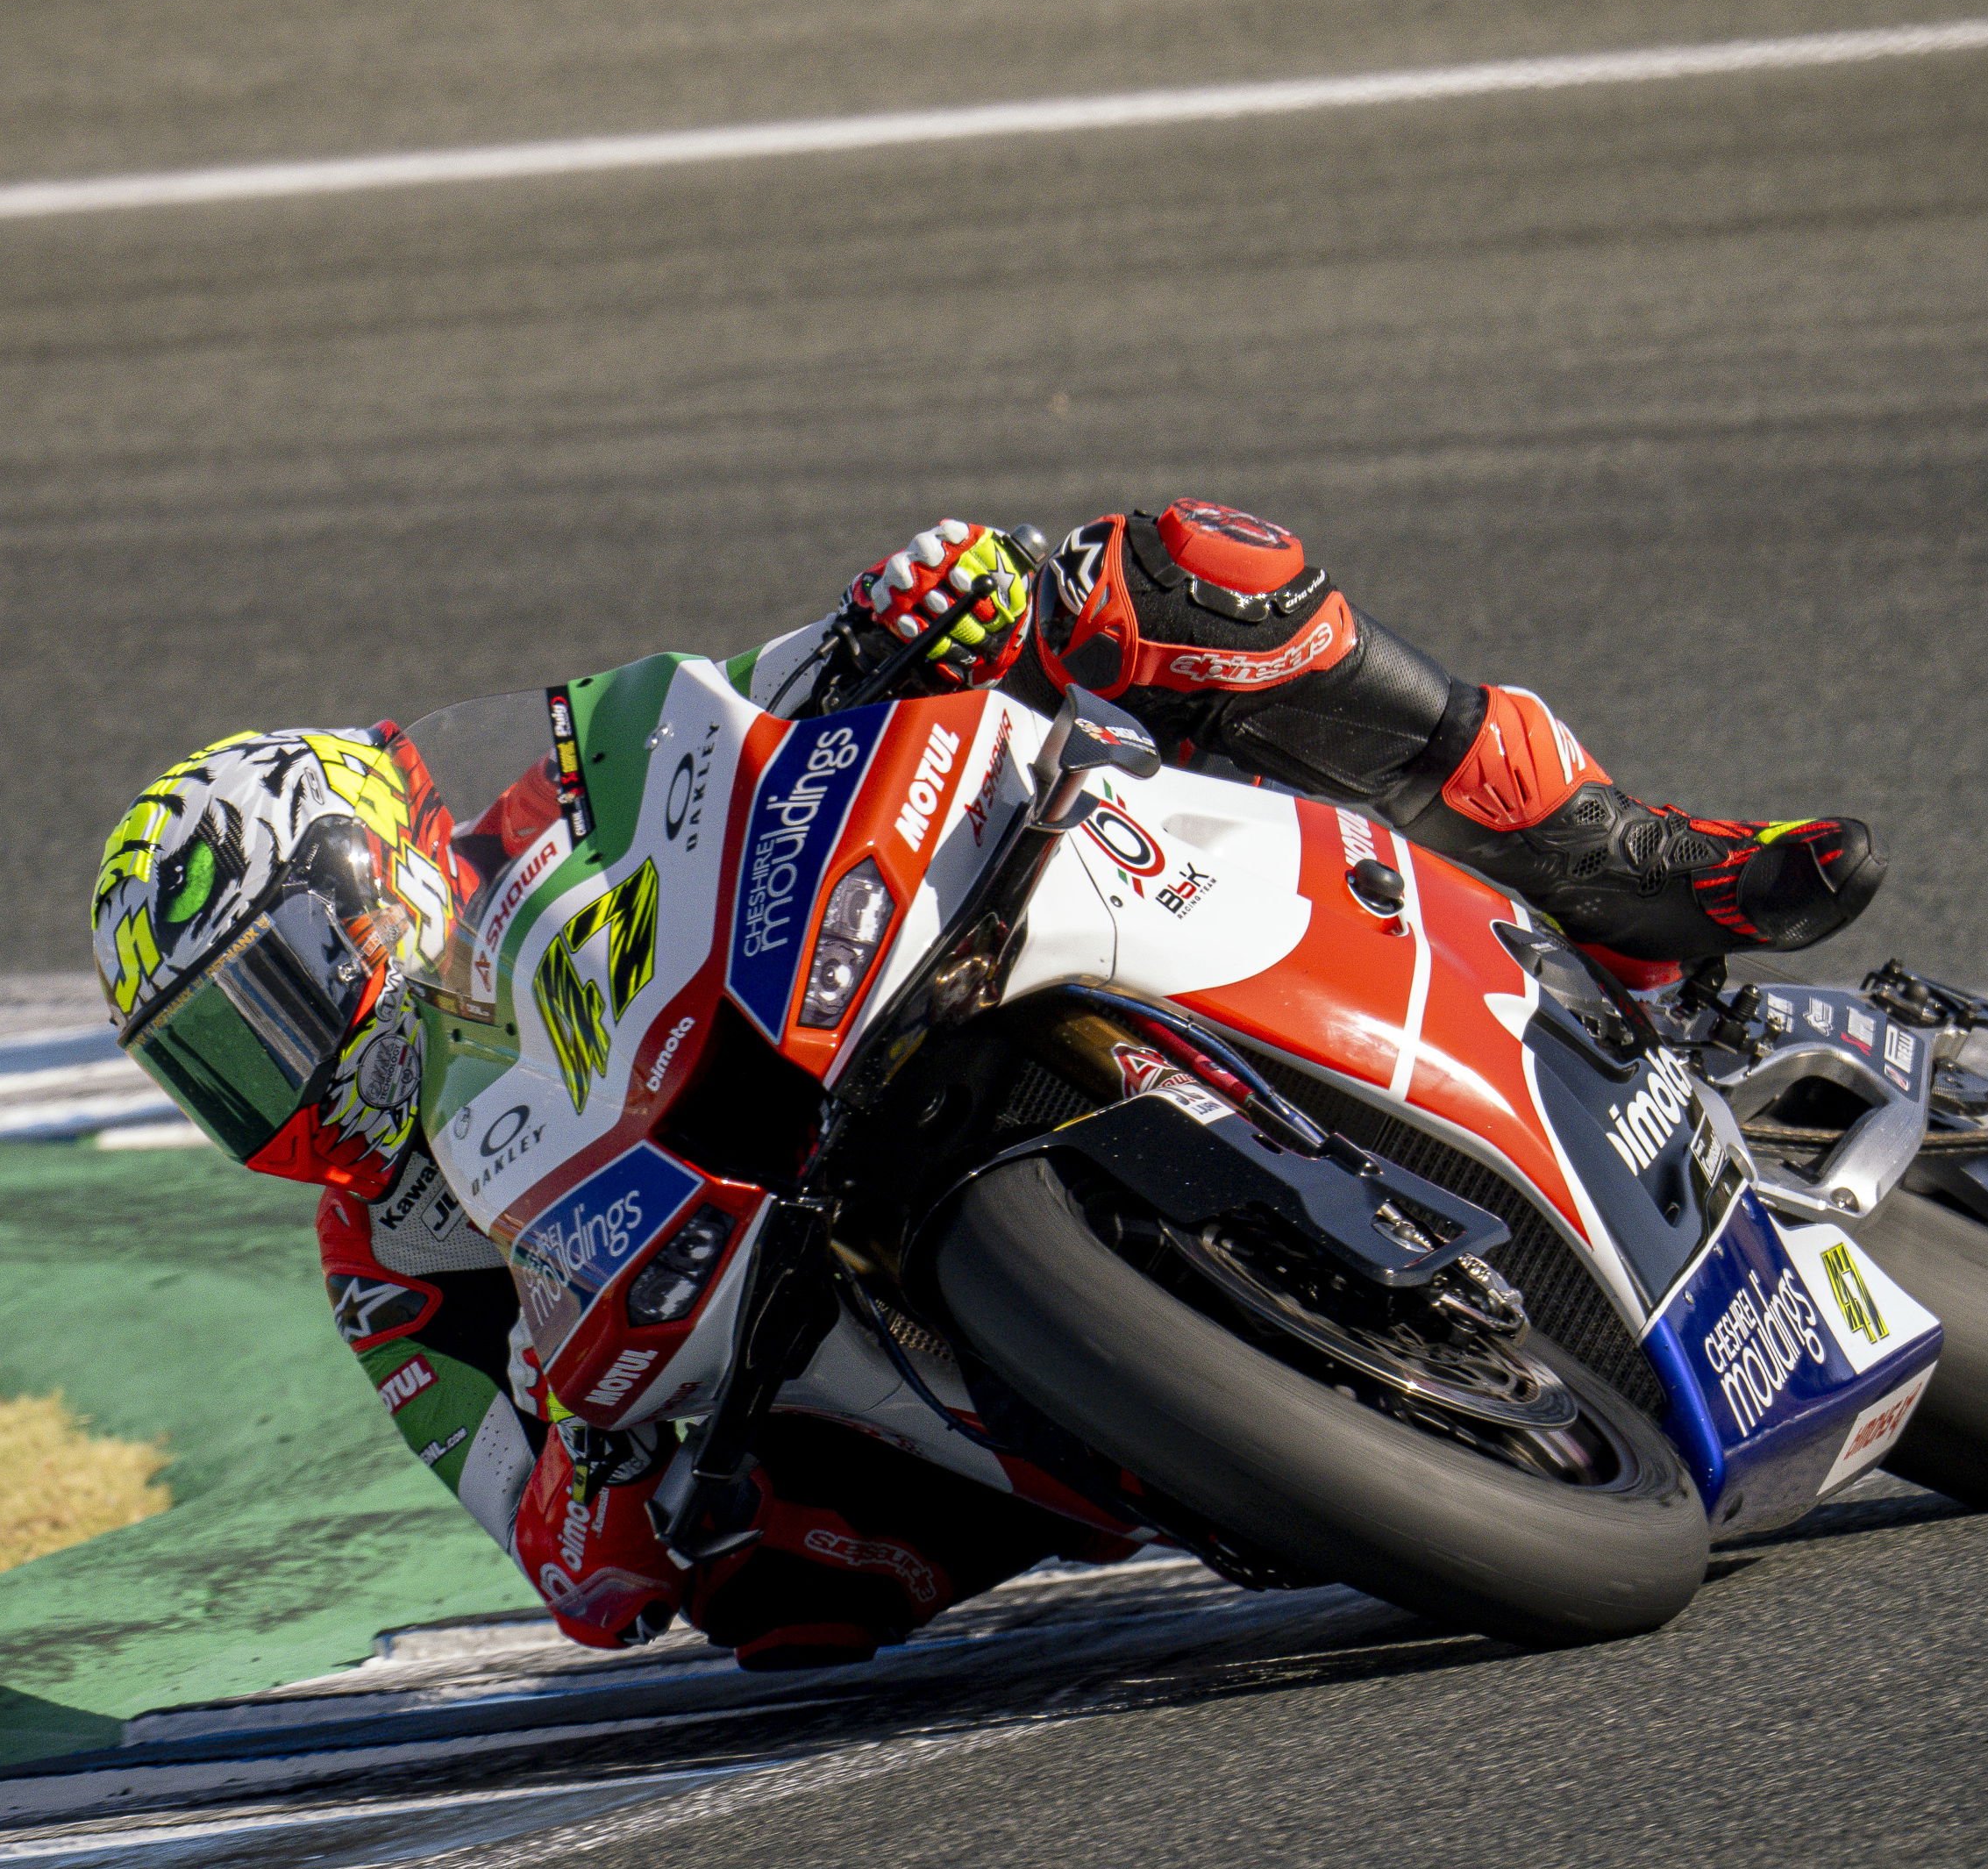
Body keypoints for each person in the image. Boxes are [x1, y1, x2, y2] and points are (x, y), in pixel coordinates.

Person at [91, 500, 1884, 1670]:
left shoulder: (545, 812)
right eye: (217, 1059)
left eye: (276, 993)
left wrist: (909, 612)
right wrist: (590, 1437)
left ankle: (1612, 859)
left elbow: (740, 712)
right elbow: (560, 1560)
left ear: (368, 865)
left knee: (1151, 572)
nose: (285, 1062)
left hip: (871, 976)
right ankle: (1220, 1403)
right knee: (772, 1602)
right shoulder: (382, 1259)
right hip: (811, 1343)